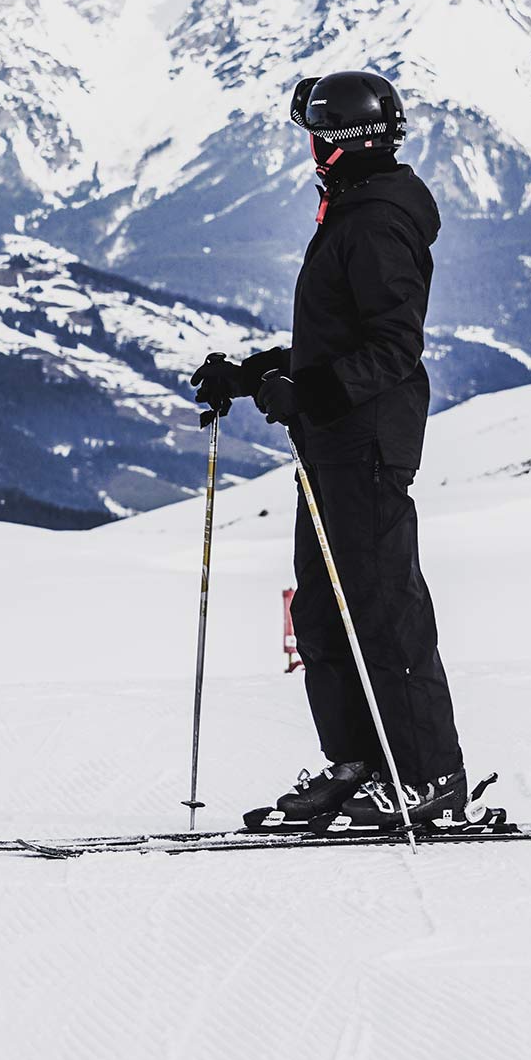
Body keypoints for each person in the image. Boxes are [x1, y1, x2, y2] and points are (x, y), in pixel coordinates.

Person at [191, 69, 466, 829]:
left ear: (337, 142)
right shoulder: (353, 210)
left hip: (367, 445)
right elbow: (336, 338)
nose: (307, 147)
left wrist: (307, 394)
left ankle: (431, 776)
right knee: (324, 610)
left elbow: (393, 349)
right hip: (335, 445)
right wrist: (253, 373)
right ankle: (358, 762)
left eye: (313, 133)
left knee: (383, 610)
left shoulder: (375, 222)